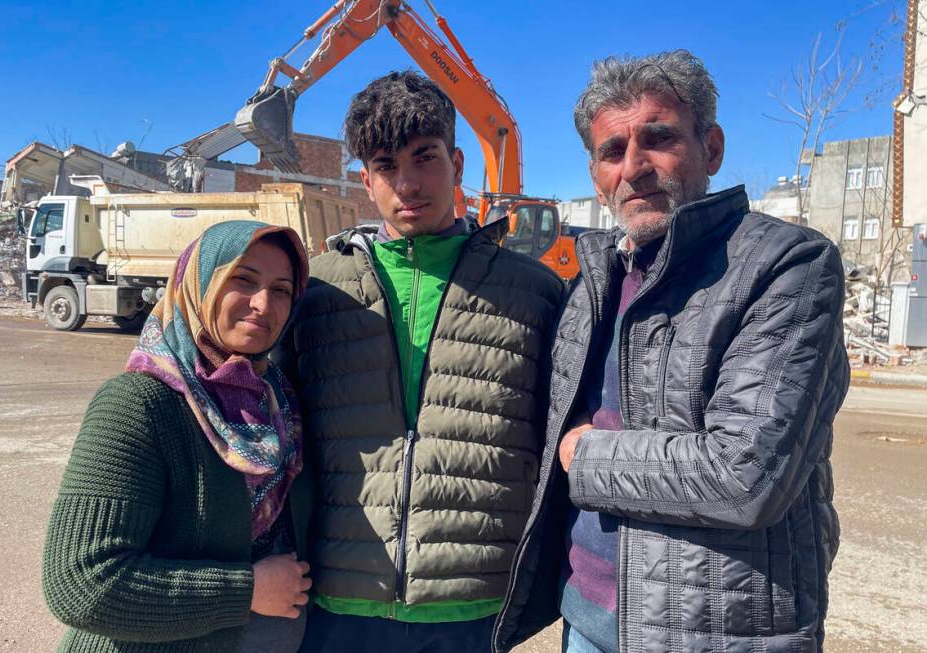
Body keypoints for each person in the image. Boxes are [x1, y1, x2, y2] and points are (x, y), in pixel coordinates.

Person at [494, 50, 850, 653]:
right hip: (585, 619)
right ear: (595, 173)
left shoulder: (785, 266)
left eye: (657, 138)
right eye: (612, 151)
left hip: (715, 632)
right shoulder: (590, 284)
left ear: (710, 147)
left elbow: (744, 476)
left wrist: (585, 456)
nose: (634, 167)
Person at [288, 71, 564, 652]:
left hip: (473, 599)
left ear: (459, 164)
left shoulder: (534, 292)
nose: (407, 183)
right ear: (365, 180)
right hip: (341, 596)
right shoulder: (318, 289)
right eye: (386, 165)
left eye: (425, 157)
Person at [42, 221, 314, 652]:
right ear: (198, 283)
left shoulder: (279, 399)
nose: (264, 304)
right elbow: (83, 585)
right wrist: (246, 592)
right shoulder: (140, 403)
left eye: (282, 289)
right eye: (242, 280)